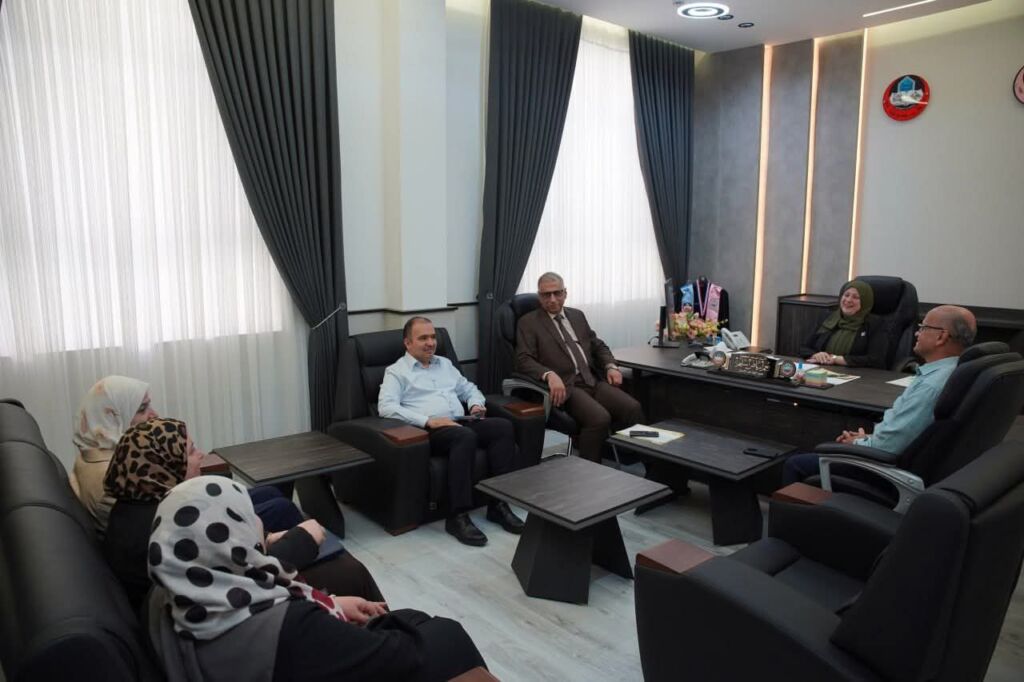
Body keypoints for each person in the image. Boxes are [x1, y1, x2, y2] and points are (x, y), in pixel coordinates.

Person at [146, 475, 487, 682]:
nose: (259, 522)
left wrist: (332, 604)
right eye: (248, 515)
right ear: (233, 537)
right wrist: (326, 615)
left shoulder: (166, 596)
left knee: (409, 617)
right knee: (446, 633)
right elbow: (401, 658)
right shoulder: (289, 626)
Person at [103, 417, 384, 612]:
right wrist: (302, 540)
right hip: (233, 607)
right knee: (350, 571)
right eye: (190, 451)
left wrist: (268, 538)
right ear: (162, 465)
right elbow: (241, 574)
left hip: (209, 601)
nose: (200, 455)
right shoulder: (161, 522)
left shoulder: (140, 505)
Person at [71, 375, 301, 535]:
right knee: (282, 508)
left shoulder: (93, 453)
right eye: (141, 409)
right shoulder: (109, 477)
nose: (153, 415)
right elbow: (167, 520)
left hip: (183, 515)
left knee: (269, 492)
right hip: (186, 529)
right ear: (113, 416)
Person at [783, 305, 977, 484]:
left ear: (941, 337)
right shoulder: (954, 371)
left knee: (795, 464)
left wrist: (858, 443)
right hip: (892, 454)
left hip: (883, 470)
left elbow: (887, 447)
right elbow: (905, 433)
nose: (917, 333)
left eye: (923, 327)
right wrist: (869, 438)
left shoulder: (931, 386)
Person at [377, 317, 523, 547]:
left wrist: (476, 404)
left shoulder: (444, 364)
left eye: (433, 337)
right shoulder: (397, 371)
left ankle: (498, 504)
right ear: (408, 343)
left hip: (461, 421)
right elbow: (386, 407)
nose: (430, 343)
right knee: (464, 436)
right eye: (423, 338)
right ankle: (457, 516)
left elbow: (468, 388)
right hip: (428, 431)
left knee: (502, 427)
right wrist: (428, 421)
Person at [515, 272, 645, 463]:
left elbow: (597, 345)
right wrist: (548, 374)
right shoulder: (529, 322)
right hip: (567, 387)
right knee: (599, 418)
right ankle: (589, 471)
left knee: (633, 408)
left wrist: (610, 366)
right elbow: (523, 359)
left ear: (565, 293)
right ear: (539, 296)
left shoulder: (577, 315)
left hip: (592, 380)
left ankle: (648, 465)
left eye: (557, 293)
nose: (552, 299)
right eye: (546, 294)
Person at [799, 279, 887, 368]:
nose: (848, 300)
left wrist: (837, 359)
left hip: (856, 373)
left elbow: (876, 359)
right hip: (822, 368)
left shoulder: (875, 324)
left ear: (865, 301)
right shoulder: (828, 317)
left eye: (855, 297)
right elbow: (803, 348)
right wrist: (816, 354)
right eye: (846, 295)